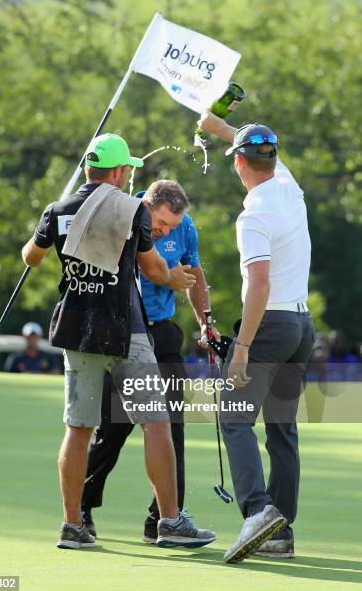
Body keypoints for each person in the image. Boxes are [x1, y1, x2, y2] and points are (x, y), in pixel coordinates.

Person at [21, 133, 216, 550]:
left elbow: (31, 258)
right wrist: (174, 277)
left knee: (78, 429)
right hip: (124, 331)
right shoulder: (132, 211)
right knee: (157, 424)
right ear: (117, 172)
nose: (129, 174)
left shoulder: (57, 210)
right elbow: (155, 269)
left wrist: (49, 221)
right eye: (126, 168)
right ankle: (169, 521)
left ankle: (73, 525)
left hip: (74, 330)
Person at [198, 113, 315, 563]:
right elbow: (255, 147)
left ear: (238, 165)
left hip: (270, 329)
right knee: (282, 430)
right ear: (272, 158)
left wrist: (241, 347)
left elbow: (259, 287)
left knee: (233, 417)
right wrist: (219, 125)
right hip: (302, 327)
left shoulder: (253, 216)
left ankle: (258, 512)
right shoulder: (287, 186)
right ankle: (281, 534)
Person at [81, 179, 219, 542]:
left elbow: (195, 274)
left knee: (172, 425)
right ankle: (82, 507)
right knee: (113, 429)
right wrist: (166, 276)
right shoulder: (123, 216)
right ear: (147, 205)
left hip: (163, 334)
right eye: (161, 224)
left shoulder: (184, 227)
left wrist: (206, 322)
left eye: (171, 227)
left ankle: (164, 518)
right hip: (124, 335)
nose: (165, 231)